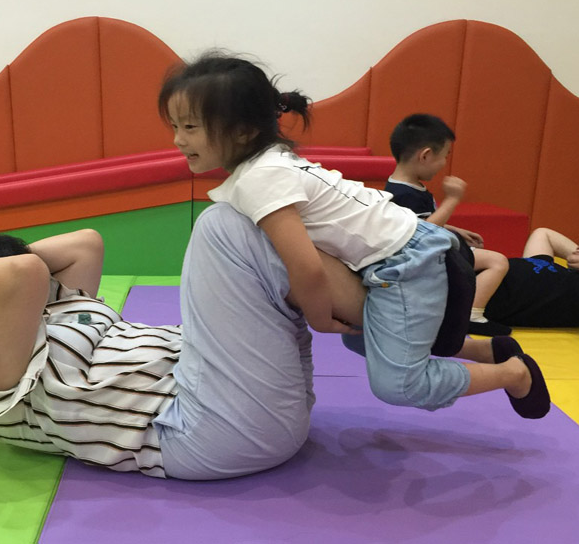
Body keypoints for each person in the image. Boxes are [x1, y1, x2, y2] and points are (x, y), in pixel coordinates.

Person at [0, 209, 538, 481]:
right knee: (227, 229)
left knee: (248, 236)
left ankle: (464, 347)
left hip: (225, 395)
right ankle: (423, 287)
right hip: (206, 430)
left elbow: (85, 243)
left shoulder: (53, 306)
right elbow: (20, 272)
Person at [158, 51, 550, 420]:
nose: (178, 139)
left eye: (190, 127)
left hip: (408, 262)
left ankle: (514, 374)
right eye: (175, 126)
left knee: (400, 384)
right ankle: (483, 349)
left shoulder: (260, 179)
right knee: (360, 338)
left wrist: (319, 319)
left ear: (244, 131)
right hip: (404, 248)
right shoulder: (270, 163)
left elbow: (306, 266)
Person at [384, 113, 511, 337]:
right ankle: (472, 315)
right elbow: (420, 232)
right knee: (497, 262)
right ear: (425, 155)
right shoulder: (403, 194)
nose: (444, 164)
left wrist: (454, 229)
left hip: (432, 252)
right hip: (424, 259)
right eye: (444, 156)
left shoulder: (408, 185)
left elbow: (421, 220)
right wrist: (452, 199)